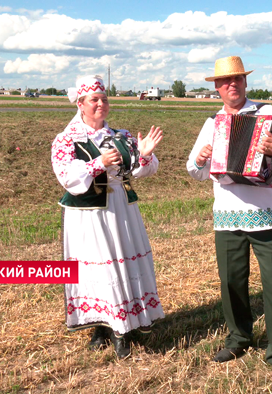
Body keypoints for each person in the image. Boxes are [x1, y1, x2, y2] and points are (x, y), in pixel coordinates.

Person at [186, 56, 272, 383]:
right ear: (217, 88)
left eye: (237, 79)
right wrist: (199, 158)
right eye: (225, 81)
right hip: (227, 217)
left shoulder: (268, 114)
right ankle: (239, 338)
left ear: (245, 82)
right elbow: (194, 171)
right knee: (231, 283)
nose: (232, 85)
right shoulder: (212, 123)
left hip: (266, 216)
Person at [51, 75, 165, 359]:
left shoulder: (120, 136)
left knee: (122, 266)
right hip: (89, 215)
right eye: (94, 100)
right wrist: (97, 163)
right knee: (97, 269)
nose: (100, 104)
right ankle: (104, 326)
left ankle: (124, 326)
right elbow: (67, 177)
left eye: (104, 99)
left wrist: (145, 155)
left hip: (121, 210)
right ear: (80, 104)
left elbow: (138, 171)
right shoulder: (67, 140)